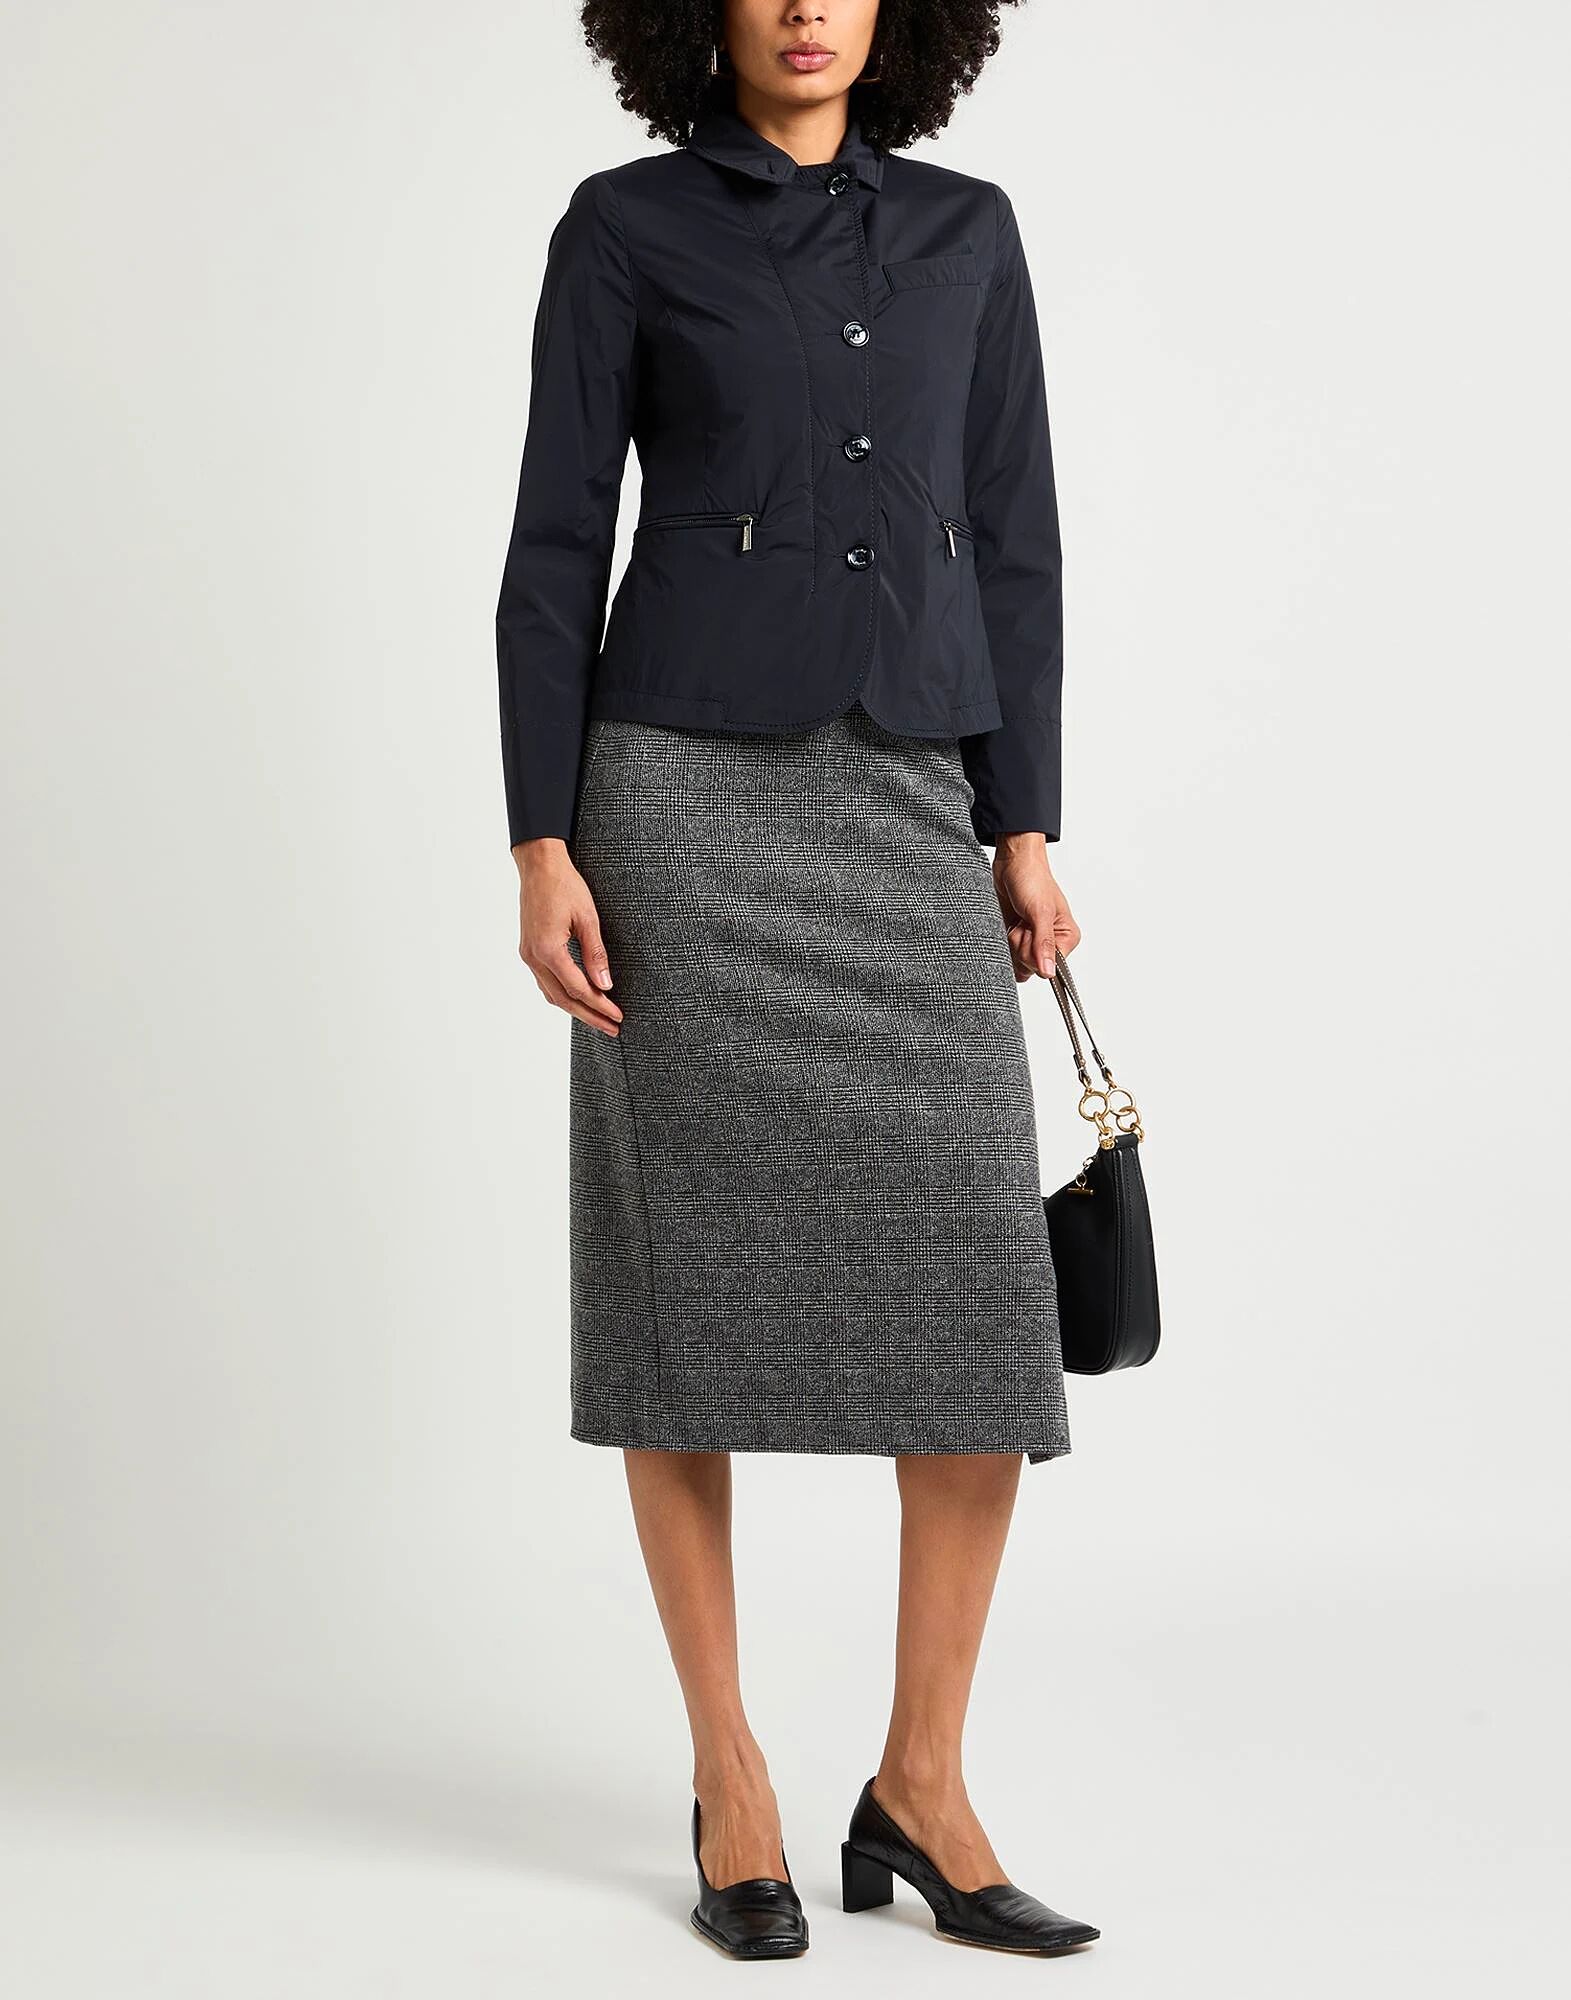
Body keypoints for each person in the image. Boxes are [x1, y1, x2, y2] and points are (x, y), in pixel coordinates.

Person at [496, 0, 1098, 1960]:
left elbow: (1013, 540)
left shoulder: (970, 234)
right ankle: (731, 1772)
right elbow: (556, 543)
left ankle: (923, 1781)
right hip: (675, 800)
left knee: (984, 1309)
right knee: (682, 1291)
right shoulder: (625, 227)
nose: (807, 4)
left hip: (913, 780)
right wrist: (541, 839)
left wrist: (1022, 822)